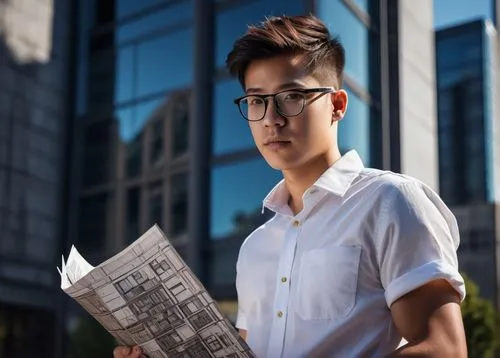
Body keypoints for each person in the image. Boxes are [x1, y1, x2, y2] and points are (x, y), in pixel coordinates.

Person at [114, 14, 467, 358]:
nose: (271, 119)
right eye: (256, 101)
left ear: (337, 105)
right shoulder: (254, 248)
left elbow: (444, 349)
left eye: (292, 97)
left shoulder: (391, 202)